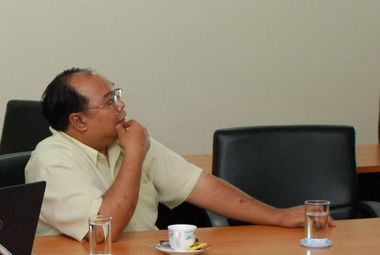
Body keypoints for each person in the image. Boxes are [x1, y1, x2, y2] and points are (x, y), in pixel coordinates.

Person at [26, 68, 308, 240]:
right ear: (79, 121)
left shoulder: (124, 141)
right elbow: (101, 233)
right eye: (109, 102)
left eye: (117, 95)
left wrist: (277, 216)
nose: (121, 105)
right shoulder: (52, 159)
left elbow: (201, 186)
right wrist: (135, 154)